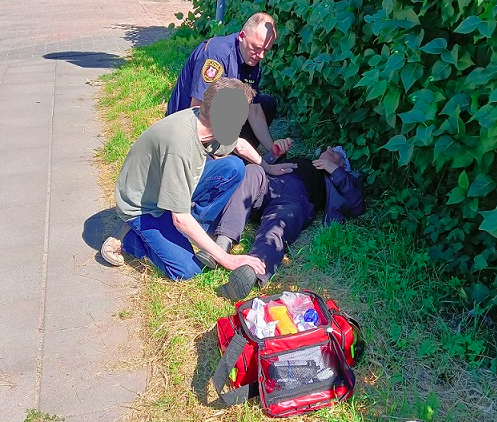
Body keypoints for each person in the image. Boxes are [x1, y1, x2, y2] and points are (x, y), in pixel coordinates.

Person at [100, 77, 295, 281]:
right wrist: (228, 259)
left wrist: (268, 167)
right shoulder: (180, 145)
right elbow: (181, 218)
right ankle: (130, 238)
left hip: (165, 186)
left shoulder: (207, 124)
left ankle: (186, 231)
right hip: (144, 206)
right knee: (188, 270)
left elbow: (240, 145)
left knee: (234, 167)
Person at [196, 146, 365, 300]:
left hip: (295, 200)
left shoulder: (339, 177)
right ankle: (222, 243)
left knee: (278, 225)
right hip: (270, 183)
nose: (329, 148)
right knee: (253, 170)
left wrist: (333, 170)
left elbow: (356, 203)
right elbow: (263, 164)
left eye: (336, 152)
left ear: (343, 166)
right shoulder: (302, 159)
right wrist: (274, 153)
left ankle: (252, 270)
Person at [166, 12, 291, 154]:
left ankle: (241, 157)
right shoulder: (216, 56)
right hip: (189, 126)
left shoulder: (252, 58)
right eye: (256, 48)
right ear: (242, 36)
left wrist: (273, 150)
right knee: (232, 166)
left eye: (265, 50)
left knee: (266, 104)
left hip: (220, 117)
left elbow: (254, 111)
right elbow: (197, 110)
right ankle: (229, 158)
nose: (261, 56)